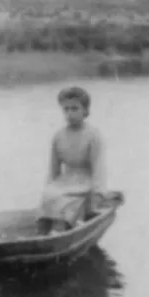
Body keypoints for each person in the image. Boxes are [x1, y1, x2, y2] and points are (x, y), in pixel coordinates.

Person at [37, 86, 106, 235]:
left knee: (64, 198)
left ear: (85, 111)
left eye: (75, 109)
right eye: (66, 109)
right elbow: (53, 170)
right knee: (50, 194)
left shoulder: (93, 135)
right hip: (65, 181)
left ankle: (63, 227)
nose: (70, 114)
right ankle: (46, 230)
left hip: (84, 182)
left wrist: (97, 194)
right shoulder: (58, 136)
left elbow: (98, 169)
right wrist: (49, 189)